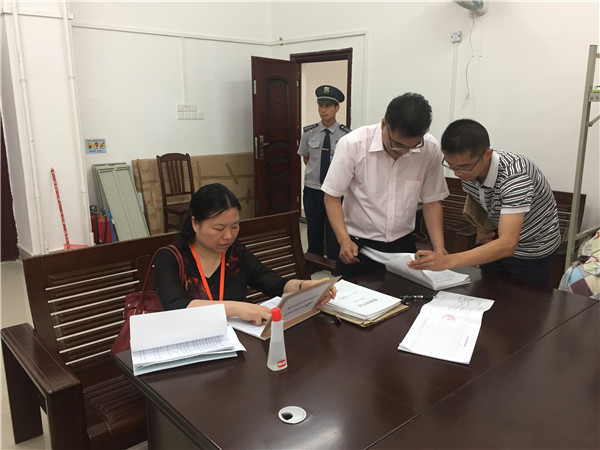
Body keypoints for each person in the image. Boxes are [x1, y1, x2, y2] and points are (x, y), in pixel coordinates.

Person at [154, 183, 336, 325]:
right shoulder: (171, 257)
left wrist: (306, 287)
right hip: (190, 343)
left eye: (235, 226)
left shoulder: (236, 254)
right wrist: (237, 308)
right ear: (195, 224)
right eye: (219, 228)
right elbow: (176, 306)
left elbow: (276, 284)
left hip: (236, 343)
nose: (228, 236)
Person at [408, 118, 561, 286]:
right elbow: (481, 202)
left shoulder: (515, 176)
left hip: (533, 250)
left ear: (487, 155)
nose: (458, 174)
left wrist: (447, 261)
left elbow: (508, 245)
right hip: (494, 244)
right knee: (487, 291)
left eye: (464, 167)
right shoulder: (470, 171)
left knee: (521, 299)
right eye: (451, 166)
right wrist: (481, 229)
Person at [322, 93, 449, 278]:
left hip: (403, 246)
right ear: (383, 124)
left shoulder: (429, 148)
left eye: (412, 146)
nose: (404, 151)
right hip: (357, 246)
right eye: (397, 144)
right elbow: (332, 197)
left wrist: (439, 248)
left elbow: (432, 200)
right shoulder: (353, 144)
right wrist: (344, 240)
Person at [298, 85, 351, 263]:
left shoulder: (346, 135)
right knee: (314, 227)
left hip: (335, 191)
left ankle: (335, 263)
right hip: (313, 189)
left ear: (337, 108)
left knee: (335, 228)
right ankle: (314, 261)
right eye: (320, 105)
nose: (323, 110)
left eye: (328, 106)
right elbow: (306, 159)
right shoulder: (309, 132)